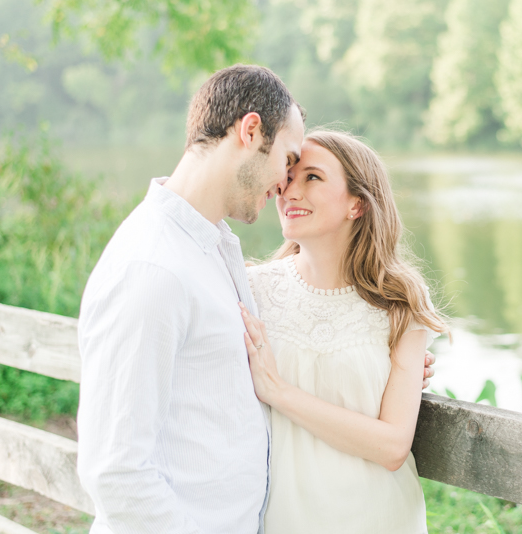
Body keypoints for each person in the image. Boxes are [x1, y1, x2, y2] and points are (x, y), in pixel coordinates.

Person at [76, 65, 435, 534]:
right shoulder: (152, 268)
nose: (285, 184)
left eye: (305, 171)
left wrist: (385, 367)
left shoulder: (215, 252)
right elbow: (116, 472)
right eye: (288, 161)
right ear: (250, 131)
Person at [241, 130, 449, 533]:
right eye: (288, 177)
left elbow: (392, 447)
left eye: (312, 178)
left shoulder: (400, 300)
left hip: (379, 518)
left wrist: (279, 391)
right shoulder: (253, 290)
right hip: (285, 518)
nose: (288, 191)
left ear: (357, 203)